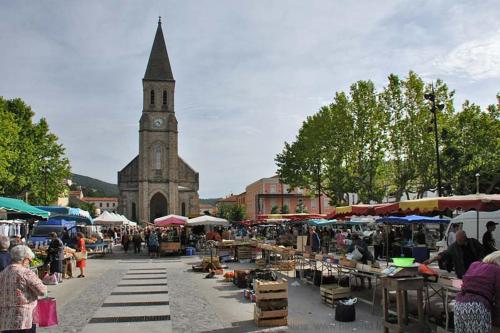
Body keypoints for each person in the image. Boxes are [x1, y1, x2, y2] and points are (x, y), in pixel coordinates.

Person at [0, 245, 47, 332]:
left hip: (6, 319)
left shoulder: (3, 273)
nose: (29, 262)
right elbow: (42, 291)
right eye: (29, 260)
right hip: (23, 319)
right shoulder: (25, 272)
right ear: (24, 259)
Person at [454, 251, 500, 333]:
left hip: (459, 303)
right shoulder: (497, 270)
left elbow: (465, 281)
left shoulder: (474, 264)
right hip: (477, 306)